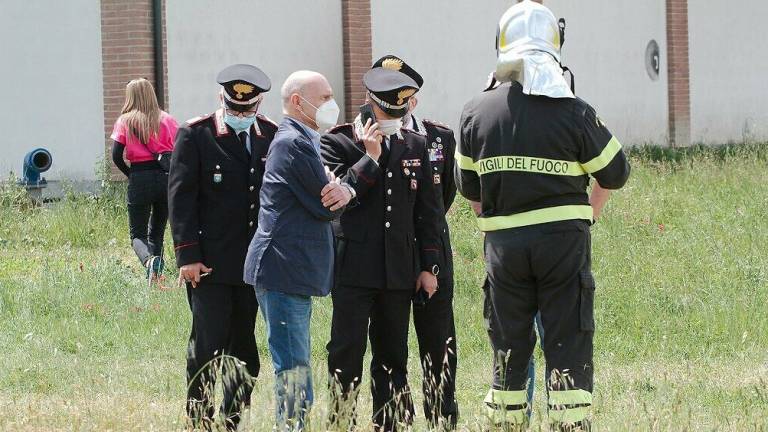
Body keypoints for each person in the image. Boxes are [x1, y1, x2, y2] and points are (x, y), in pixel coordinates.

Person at [455, 2, 631, 430]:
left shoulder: (475, 112)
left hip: (503, 253)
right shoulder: (574, 111)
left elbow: (469, 190)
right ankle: (569, 424)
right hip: (562, 247)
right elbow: (616, 172)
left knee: (509, 345)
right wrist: (586, 215)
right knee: (567, 338)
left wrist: (499, 228)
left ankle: (508, 424)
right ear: (555, 46)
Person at [321, 56, 442, 432]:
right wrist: (369, 159)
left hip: (398, 268)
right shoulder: (339, 140)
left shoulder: (416, 144)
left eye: (400, 111)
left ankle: (390, 424)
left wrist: (428, 266)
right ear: (370, 102)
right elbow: (335, 199)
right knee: (346, 351)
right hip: (354, 267)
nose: (394, 118)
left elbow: (427, 213)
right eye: (388, 110)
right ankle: (341, 422)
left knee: (393, 354)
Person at [168, 64, 278, 431]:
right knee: (207, 344)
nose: (241, 115)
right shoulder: (196, 135)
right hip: (210, 265)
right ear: (222, 99)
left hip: (254, 266)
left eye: (248, 110)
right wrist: (188, 256)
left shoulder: (271, 136)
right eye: (235, 108)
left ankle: (232, 418)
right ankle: (200, 418)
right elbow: (181, 200)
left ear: (259, 104)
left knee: (245, 348)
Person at [243, 70, 352, 431]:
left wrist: (333, 187)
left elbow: (326, 195)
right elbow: (326, 204)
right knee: (293, 369)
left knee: (296, 365)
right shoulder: (293, 142)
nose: (330, 105)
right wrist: (336, 189)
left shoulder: (305, 140)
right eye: (323, 97)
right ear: (297, 102)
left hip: (292, 272)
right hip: (281, 270)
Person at [400, 82, 460, 428]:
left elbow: (443, 197)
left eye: (403, 98)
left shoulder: (440, 137)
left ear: (414, 100)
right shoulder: (362, 137)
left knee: (439, 340)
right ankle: (398, 415)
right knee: (391, 340)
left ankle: (442, 415)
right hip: (390, 253)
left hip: (434, 252)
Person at [110, 78, 178, 283]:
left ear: (130, 96)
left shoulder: (125, 120)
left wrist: (131, 174)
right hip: (166, 177)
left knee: (137, 235)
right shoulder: (168, 119)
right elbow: (179, 150)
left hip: (140, 176)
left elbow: (116, 155)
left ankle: (149, 262)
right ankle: (156, 277)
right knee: (156, 231)